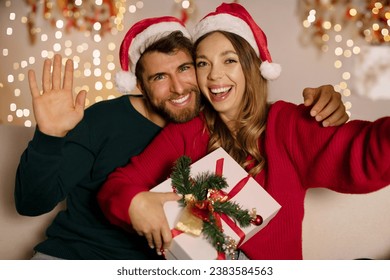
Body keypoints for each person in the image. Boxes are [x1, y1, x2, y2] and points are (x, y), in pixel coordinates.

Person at [15, 13, 347, 259]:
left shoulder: (217, 125)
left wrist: (320, 108)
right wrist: (49, 136)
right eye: (160, 76)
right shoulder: (104, 120)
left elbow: (270, 127)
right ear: (140, 85)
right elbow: (32, 203)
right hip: (75, 258)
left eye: (186, 68)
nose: (178, 87)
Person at [97, 2, 390, 260]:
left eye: (229, 60)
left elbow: (364, 153)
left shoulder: (286, 124)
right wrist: (135, 203)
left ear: (251, 67)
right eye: (203, 63)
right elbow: (118, 185)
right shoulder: (190, 132)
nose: (214, 75)